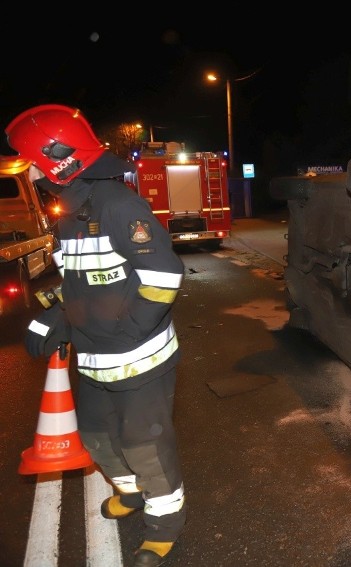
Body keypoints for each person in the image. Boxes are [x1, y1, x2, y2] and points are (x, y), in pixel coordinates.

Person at [7, 104, 186, 567]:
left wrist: (125, 331)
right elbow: (80, 280)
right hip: (95, 359)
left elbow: (164, 276)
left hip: (139, 357)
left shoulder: (119, 207)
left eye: (32, 161)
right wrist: (55, 312)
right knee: (97, 437)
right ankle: (129, 493)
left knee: (143, 444)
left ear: (58, 159)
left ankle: (164, 523)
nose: (28, 170)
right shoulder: (70, 211)